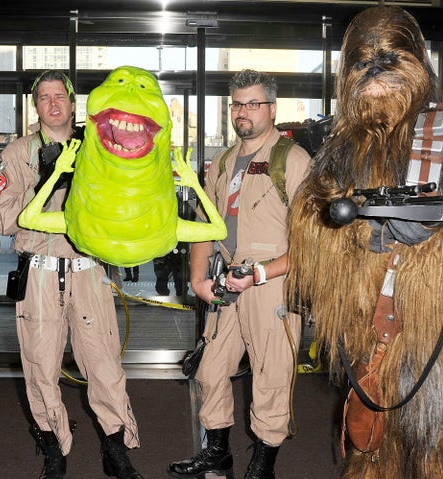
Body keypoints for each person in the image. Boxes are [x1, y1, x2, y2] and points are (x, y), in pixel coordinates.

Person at [0, 70, 143, 479]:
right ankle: (55, 449)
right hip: (40, 274)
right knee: (39, 367)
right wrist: (47, 179)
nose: (53, 104)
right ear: (35, 105)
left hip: (89, 271)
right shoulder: (18, 152)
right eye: (44, 97)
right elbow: (6, 219)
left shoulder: (98, 147)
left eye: (60, 96)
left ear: (73, 102)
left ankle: (116, 448)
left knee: (105, 365)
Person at [167, 69, 311, 479]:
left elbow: (313, 243)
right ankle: (217, 452)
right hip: (224, 281)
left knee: (270, 377)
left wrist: (262, 273)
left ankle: (262, 466)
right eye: (237, 104)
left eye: (252, 103)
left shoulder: (293, 160)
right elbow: (203, 226)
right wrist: (198, 280)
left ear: (272, 108)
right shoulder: (225, 162)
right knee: (210, 369)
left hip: (272, 286)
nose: (243, 112)